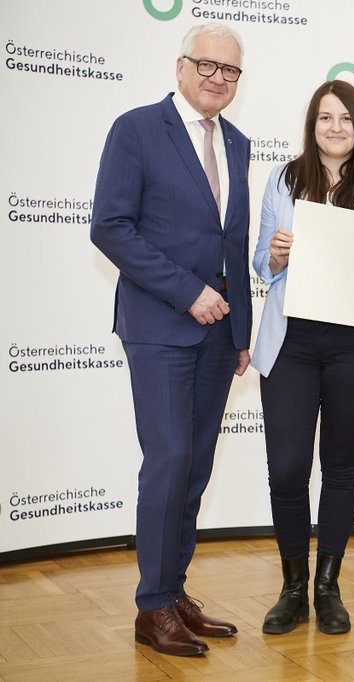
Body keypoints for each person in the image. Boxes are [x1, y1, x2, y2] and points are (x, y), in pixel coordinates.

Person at [90, 23, 252, 657]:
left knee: (196, 464)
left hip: (219, 337)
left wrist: (240, 330)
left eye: (231, 71)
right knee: (167, 461)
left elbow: (231, 244)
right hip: (161, 327)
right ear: (181, 66)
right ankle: (151, 606)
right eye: (207, 65)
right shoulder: (135, 129)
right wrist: (187, 292)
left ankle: (174, 591)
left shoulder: (236, 142)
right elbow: (111, 228)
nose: (218, 77)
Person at [250, 80, 354, 636]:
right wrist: (272, 253)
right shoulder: (284, 177)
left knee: (341, 468)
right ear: (311, 126)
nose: (335, 127)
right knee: (288, 468)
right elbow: (260, 263)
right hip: (291, 342)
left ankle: (328, 587)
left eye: (346, 118)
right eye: (325, 118)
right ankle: (292, 588)